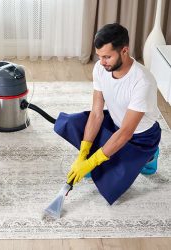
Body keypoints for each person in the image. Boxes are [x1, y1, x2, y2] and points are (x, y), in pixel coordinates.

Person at [54, 23, 161, 205]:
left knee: (109, 184)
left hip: (140, 137)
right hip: (115, 122)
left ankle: (150, 156)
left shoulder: (143, 82)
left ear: (124, 51)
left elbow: (126, 132)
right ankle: (99, 155)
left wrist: (92, 163)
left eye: (107, 57)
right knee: (70, 123)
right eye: (99, 56)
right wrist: (84, 153)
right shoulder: (101, 69)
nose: (102, 62)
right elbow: (96, 114)